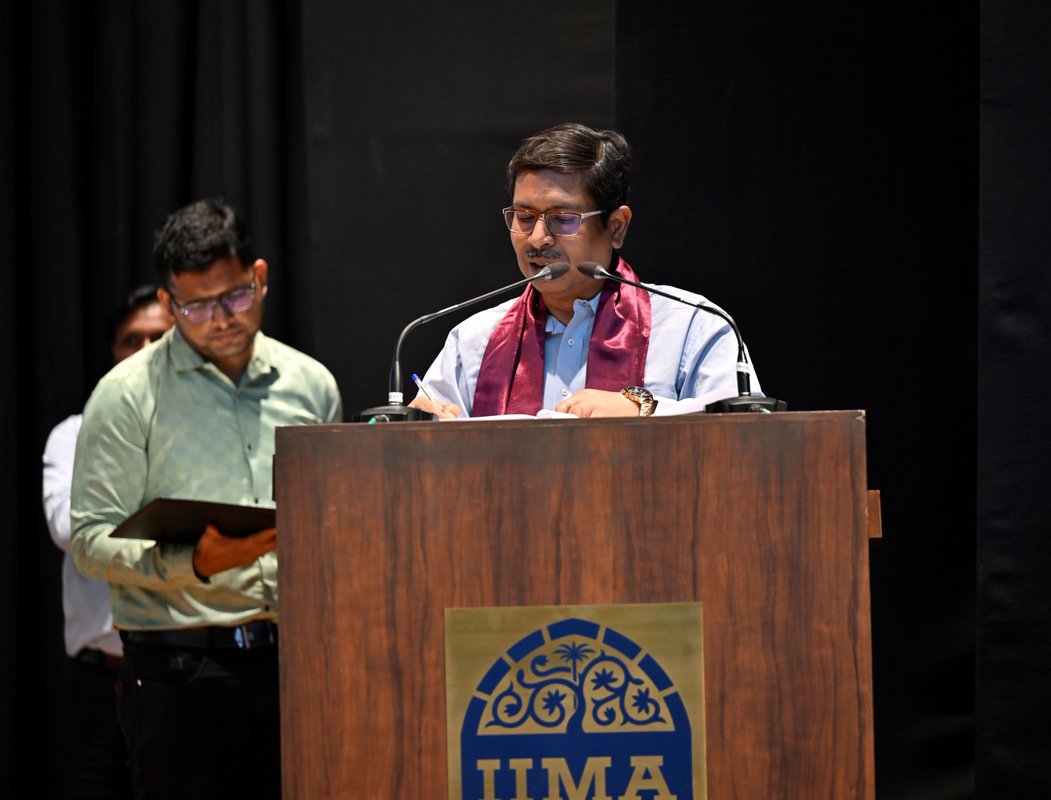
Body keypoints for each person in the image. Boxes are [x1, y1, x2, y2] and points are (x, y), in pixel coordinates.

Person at [69, 198, 342, 800]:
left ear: (260, 277)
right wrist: (190, 563)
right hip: (178, 670)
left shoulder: (310, 384)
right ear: (168, 304)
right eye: (195, 306)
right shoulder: (126, 395)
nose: (219, 319)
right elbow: (89, 542)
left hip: (294, 661)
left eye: (235, 296)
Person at [410, 122, 763, 419]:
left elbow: (746, 429)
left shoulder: (692, 327)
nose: (538, 238)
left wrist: (645, 408)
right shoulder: (473, 341)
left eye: (563, 219)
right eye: (524, 217)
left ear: (617, 227)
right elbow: (424, 446)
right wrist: (419, 430)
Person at [42, 284, 173, 799]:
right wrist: (170, 522)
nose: (144, 351)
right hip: (102, 677)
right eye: (131, 340)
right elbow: (69, 530)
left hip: (183, 670)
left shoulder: (206, 436)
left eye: (158, 338)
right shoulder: (74, 434)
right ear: (112, 353)